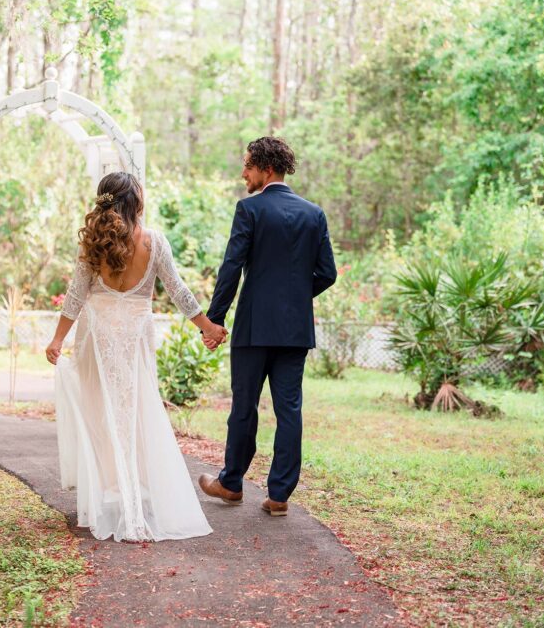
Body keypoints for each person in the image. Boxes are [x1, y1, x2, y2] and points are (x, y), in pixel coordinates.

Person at [45, 171, 227, 542]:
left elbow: (76, 295)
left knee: (101, 414)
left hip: (97, 337)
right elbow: (178, 290)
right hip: (133, 338)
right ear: (136, 202)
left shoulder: (94, 245)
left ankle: (113, 493)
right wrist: (206, 327)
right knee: (138, 412)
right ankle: (136, 493)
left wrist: (57, 340)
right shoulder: (154, 242)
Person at [198, 137, 337, 517]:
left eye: (247, 165)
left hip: (254, 328)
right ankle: (279, 496)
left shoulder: (250, 209)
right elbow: (328, 273)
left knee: (244, 406)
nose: (243, 173)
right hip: (295, 332)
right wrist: (294, 297)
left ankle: (231, 483)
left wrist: (215, 319)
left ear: (266, 168)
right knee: (289, 409)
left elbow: (231, 267)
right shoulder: (314, 214)